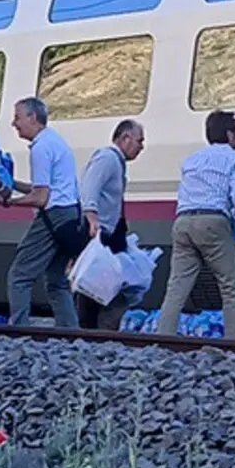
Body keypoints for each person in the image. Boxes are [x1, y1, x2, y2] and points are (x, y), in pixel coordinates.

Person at [156, 110, 235, 339]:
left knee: (176, 287)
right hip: (213, 221)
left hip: (182, 222)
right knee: (229, 286)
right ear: (230, 134)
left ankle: (162, 338)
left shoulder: (192, 160)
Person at [2, 97, 83, 328]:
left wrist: (9, 202)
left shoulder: (40, 147)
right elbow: (44, 186)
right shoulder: (55, 141)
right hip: (69, 215)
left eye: (17, 117)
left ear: (32, 117)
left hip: (53, 216)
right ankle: (70, 331)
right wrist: (13, 185)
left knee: (19, 276)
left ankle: (19, 330)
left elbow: (41, 197)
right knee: (57, 279)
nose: (13, 123)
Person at [76, 118, 146, 330]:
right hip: (101, 233)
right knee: (101, 288)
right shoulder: (107, 158)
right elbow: (90, 186)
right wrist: (91, 216)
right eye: (139, 141)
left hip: (110, 233)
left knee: (101, 287)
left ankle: (95, 332)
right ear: (125, 138)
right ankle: (98, 332)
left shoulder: (116, 162)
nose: (141, 147)